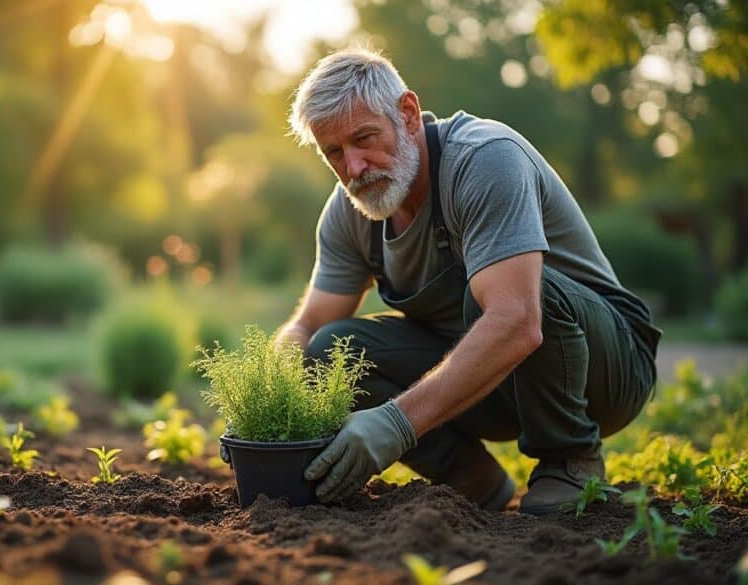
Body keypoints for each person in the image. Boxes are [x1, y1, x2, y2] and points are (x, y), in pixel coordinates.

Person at [274, 48, 661, 515]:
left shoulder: (483, 159)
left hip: (604, 372)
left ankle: (569, 460)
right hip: (491, 384)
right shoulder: (350, 211)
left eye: (365, 138)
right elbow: (308, 324)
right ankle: (468, 476)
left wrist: (395, 424)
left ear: (409, 115)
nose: (354, 167)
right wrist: (273, 390)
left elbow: (517, 320)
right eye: (334, 151)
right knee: (330, 347)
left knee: (511, 295)